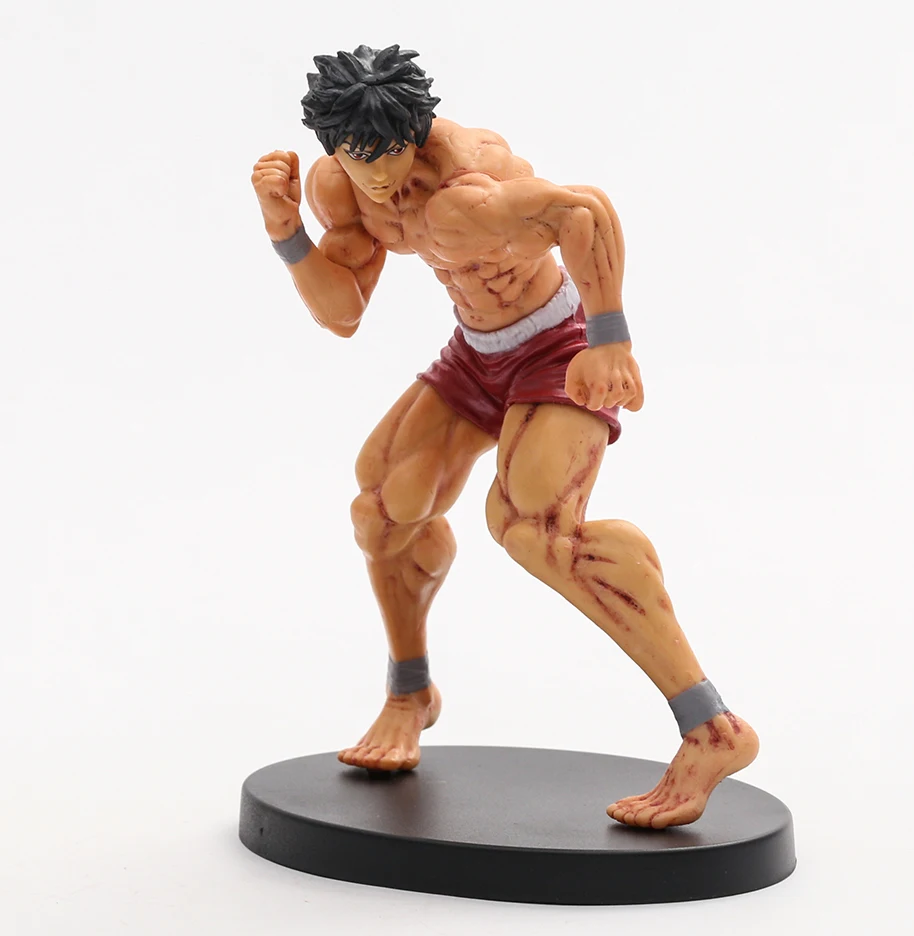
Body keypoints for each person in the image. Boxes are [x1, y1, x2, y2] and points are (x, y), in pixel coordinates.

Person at [250, 44, 759, 828]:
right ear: (333, 149)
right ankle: (410, 693)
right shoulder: (342, 188)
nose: (377, 176)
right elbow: (343, 311)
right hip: (477, 352)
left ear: (415, 134)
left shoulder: (470, 186)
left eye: (388, 154)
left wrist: (610, 339)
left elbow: (582, 212)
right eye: (357, 156)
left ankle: (711, 727)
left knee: (532, 528)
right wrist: (286, 230)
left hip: (557, 346)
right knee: (381, 510)